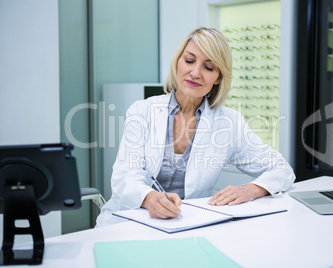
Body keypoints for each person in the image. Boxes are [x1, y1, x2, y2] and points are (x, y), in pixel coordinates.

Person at [96, 27, 295, 226]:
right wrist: (148, 198)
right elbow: (125, 176)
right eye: (189, 60)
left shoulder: (229, 123)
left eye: (209, 67)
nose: (195, 73)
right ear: (178, 62)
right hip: (128, 221)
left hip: (185, 226)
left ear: (218, 77)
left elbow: (282, 169)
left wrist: (250, 190)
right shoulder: (142, 111)